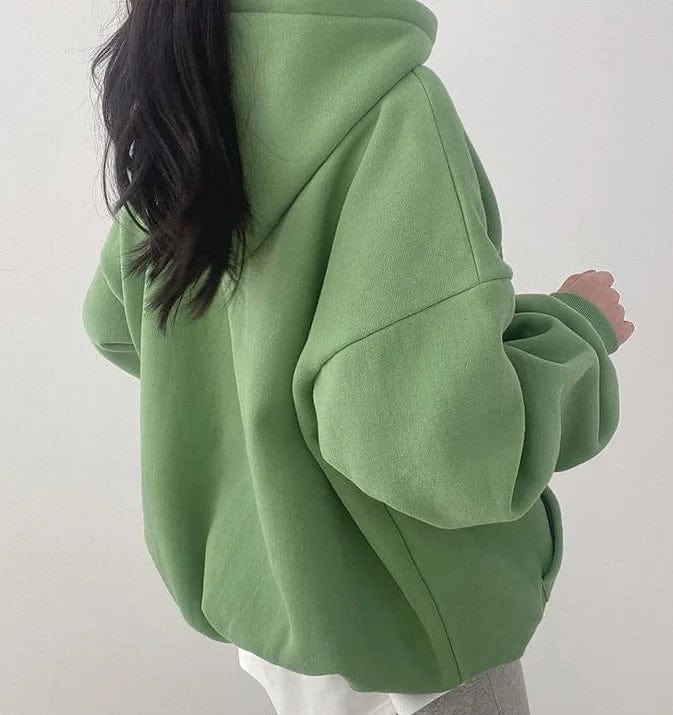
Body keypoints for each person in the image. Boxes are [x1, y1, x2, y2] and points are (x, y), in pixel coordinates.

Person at [82, 0, 634, 713]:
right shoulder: (388, 104)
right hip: (413, 641)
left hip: (280, 625)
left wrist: (251, 406)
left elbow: (116, 322)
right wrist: (579, 326)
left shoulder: (187, 74)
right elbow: (443, 444)